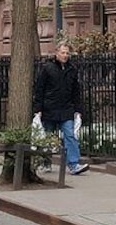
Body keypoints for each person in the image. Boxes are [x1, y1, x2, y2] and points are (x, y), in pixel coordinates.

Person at [33, 43, 89, 175]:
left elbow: (76, 91)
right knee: (47, 136)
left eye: (67, 53)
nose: (65, 56)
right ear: (57, 53)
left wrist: (78, 109)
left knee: (70, 135)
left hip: (66, 109)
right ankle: (46, 162)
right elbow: (39, 88)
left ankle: (74, 164)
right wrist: (38, 108)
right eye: (63, 53)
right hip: (49, 108)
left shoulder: (72, 69)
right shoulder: (47, 68)